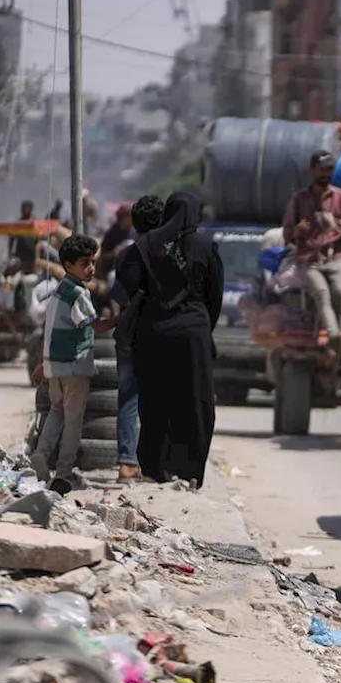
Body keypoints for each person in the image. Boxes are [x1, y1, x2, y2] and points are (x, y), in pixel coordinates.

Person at [118, 191, 223, 487]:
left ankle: (155, 468)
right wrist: (201, 327)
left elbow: (127, 287)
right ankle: (189, 471)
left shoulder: (146, 246)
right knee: (195, 402)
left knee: (155, 400)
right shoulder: (205, 246)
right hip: (194, 334)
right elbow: (215, 294)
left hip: (153, 334)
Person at [30, 235, 116, 494]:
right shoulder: (78, 293)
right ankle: (65, 472)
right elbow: (96, 326)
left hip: (54, 366)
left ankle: (42, 454)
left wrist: (41, 363)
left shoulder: (58, 290)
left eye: (92, 262)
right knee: (73, 420)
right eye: (84, 263)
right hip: (75, 367)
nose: (90, 268)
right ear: (68, 265)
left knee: (56, 411)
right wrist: (123, 317)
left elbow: (48, 330)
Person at [282, 151, 341, 348]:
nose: (326, 173)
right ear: (312, 171)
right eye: (322, 169)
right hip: (310, 259)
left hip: (336, 256)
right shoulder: (299, 200)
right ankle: (334, 334)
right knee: (321, 293)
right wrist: (297, 230)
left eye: (329, 169)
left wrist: (336, 223)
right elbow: (287, 234)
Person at [110, 195, 165, 482]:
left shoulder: (124, 256)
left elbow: (118, 297)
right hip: (157, 335)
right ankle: (151, 463)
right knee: (157, 400)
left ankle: (127, 464)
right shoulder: (167, 255)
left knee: (128, 400)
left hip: (129, 335)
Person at [98, 202, 136, 280]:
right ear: (124, 217)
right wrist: (114, 253)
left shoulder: (135, 232)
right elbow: (103, 256)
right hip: (113, 271)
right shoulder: (111, 234)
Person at [9, 200, 39, 266]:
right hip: (20, 254)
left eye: (28, 208)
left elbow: (39, 239)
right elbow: (11, 239)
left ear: (31, 209)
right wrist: (10, 253)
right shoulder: (18, 224)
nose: (25, 210)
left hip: (32, 255)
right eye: (24, 208)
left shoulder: (35, 223)